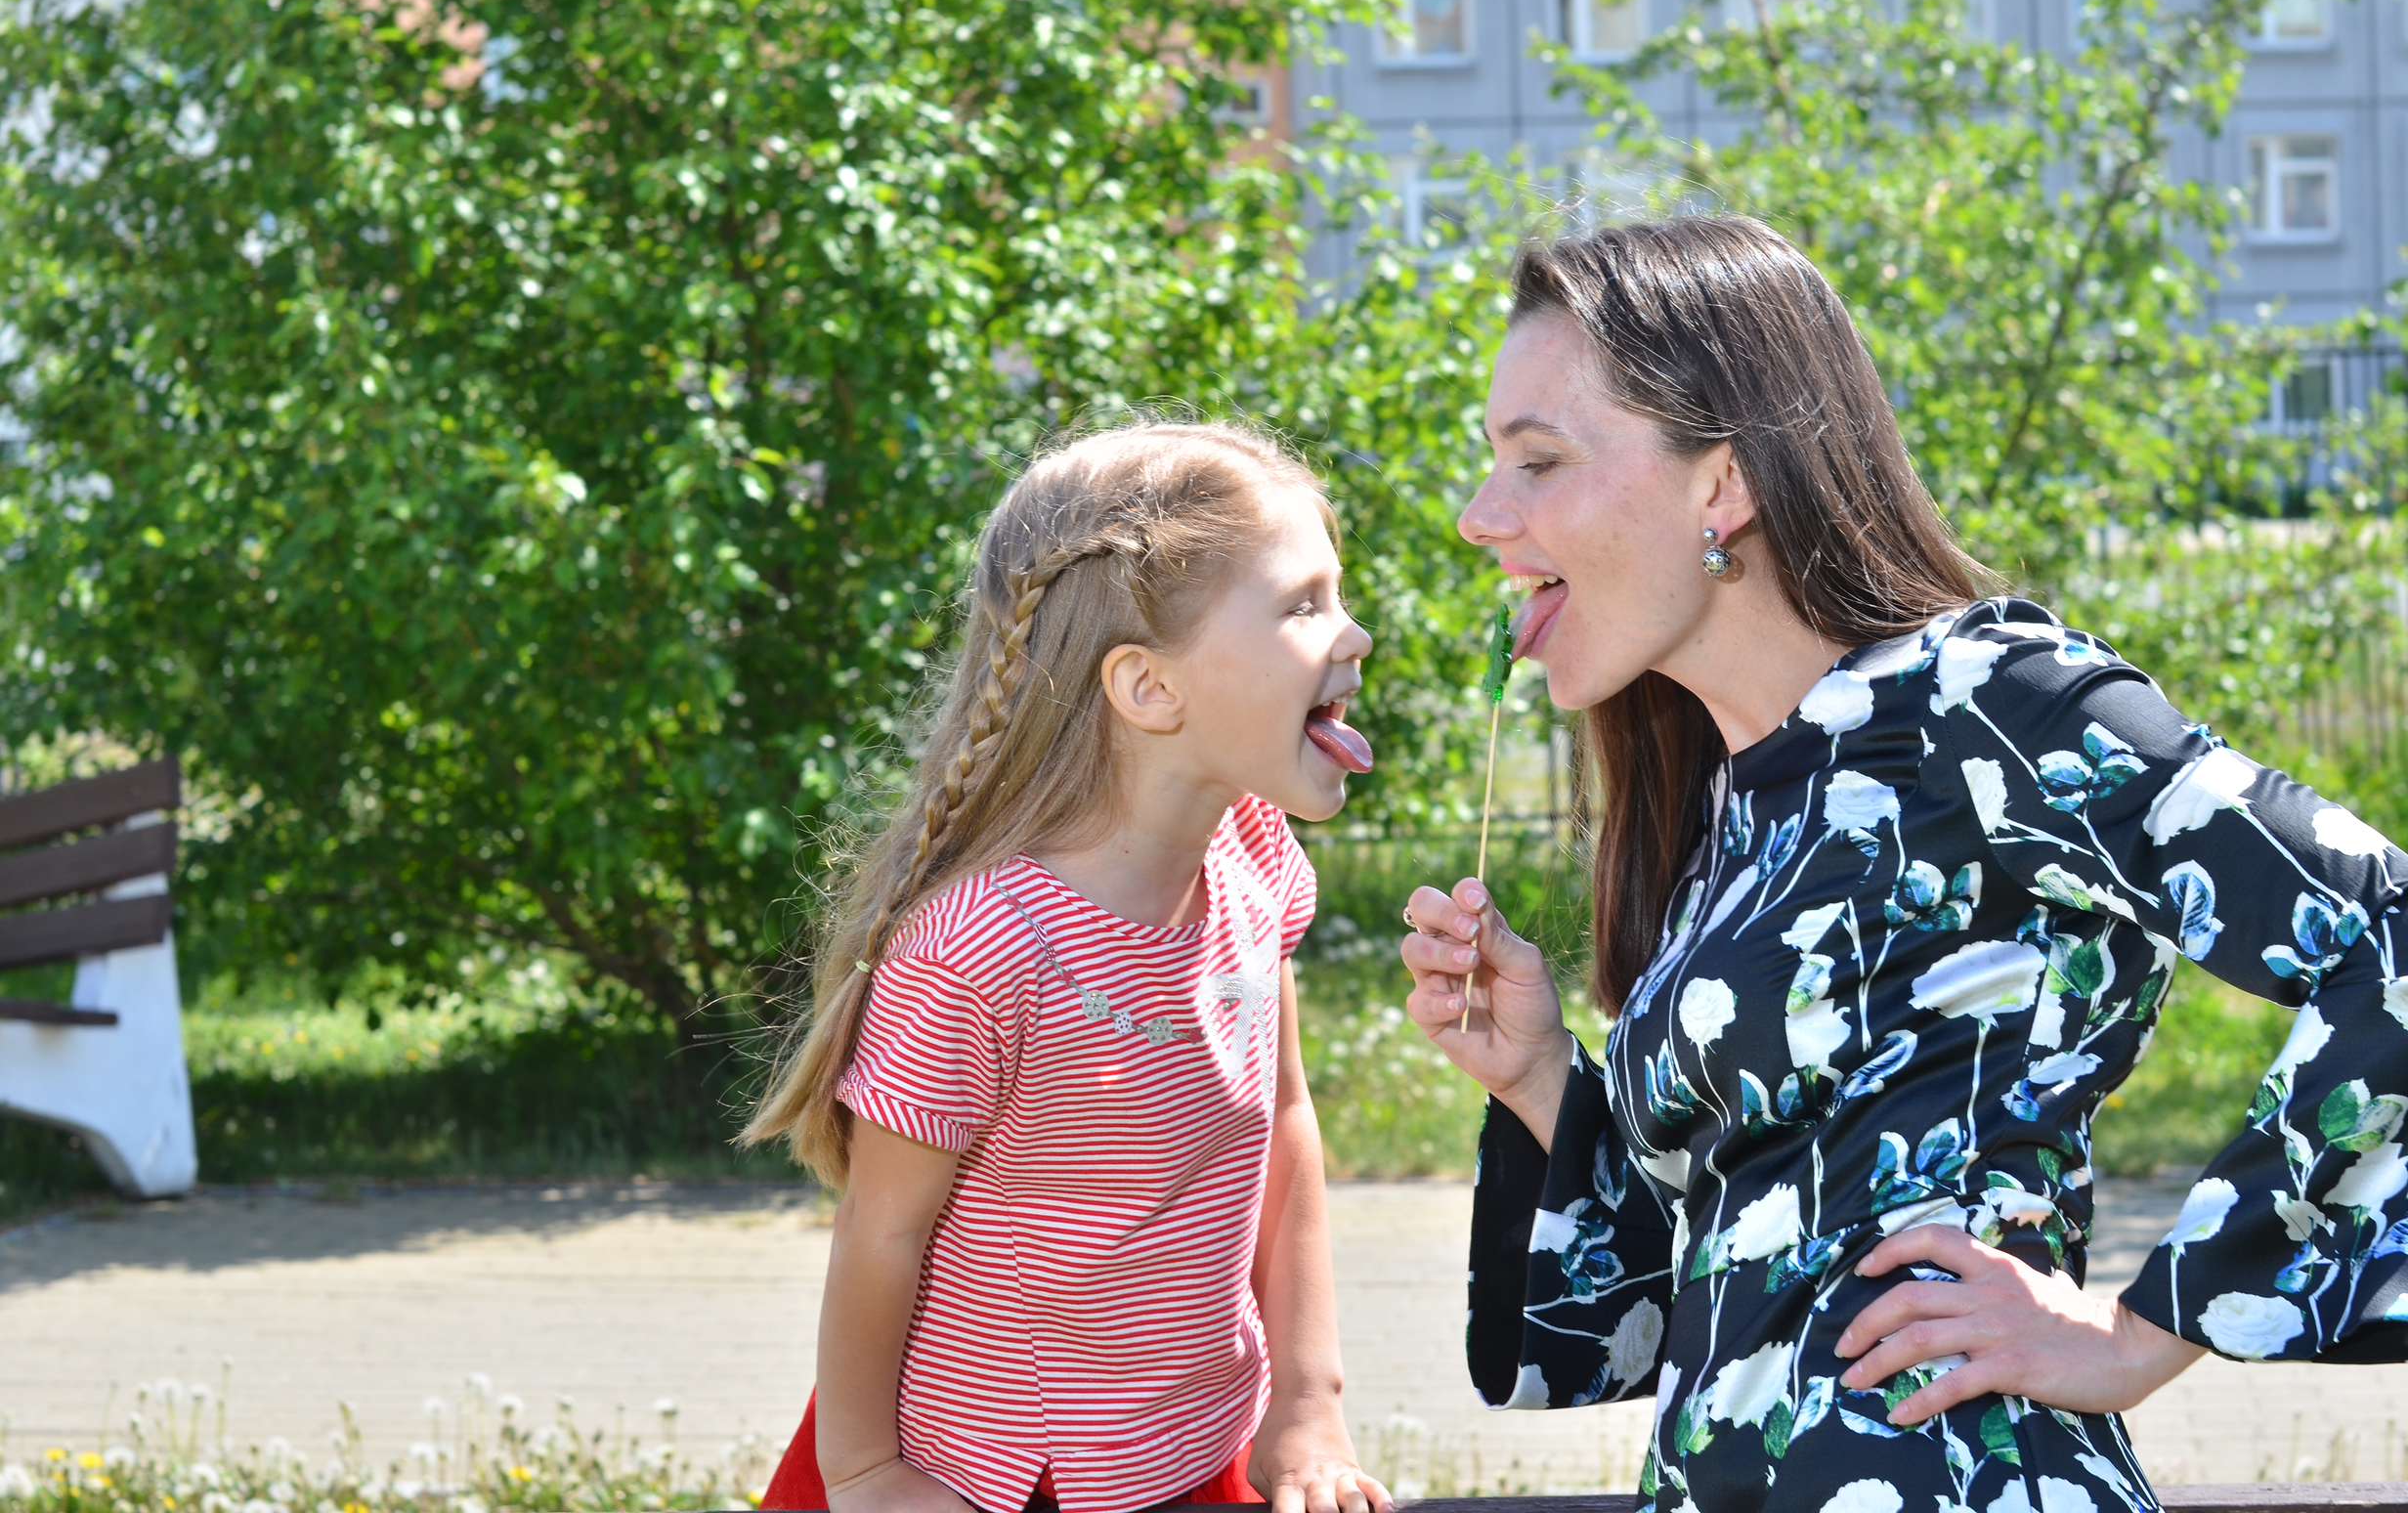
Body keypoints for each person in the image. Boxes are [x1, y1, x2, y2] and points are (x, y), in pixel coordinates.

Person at [1399, 216, 2408, 1513]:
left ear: (1722, 487)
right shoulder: (1733, 808)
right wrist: (1543, 1076)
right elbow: (1717, 1293)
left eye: (1537, 462)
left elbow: (2385, 933)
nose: (1484, 519)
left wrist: (2142, 1331)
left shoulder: (1981, 701)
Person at [744, 422, 1393, 1513]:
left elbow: (1282, 1125)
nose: (1355, 635)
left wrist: (1305, 1406)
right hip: (987, 1478)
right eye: (1302, 604)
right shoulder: (984, 949)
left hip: (1191, 1452)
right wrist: (862, 1474)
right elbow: (881, 1227)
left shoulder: (1253, 861)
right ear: (1146, 688)